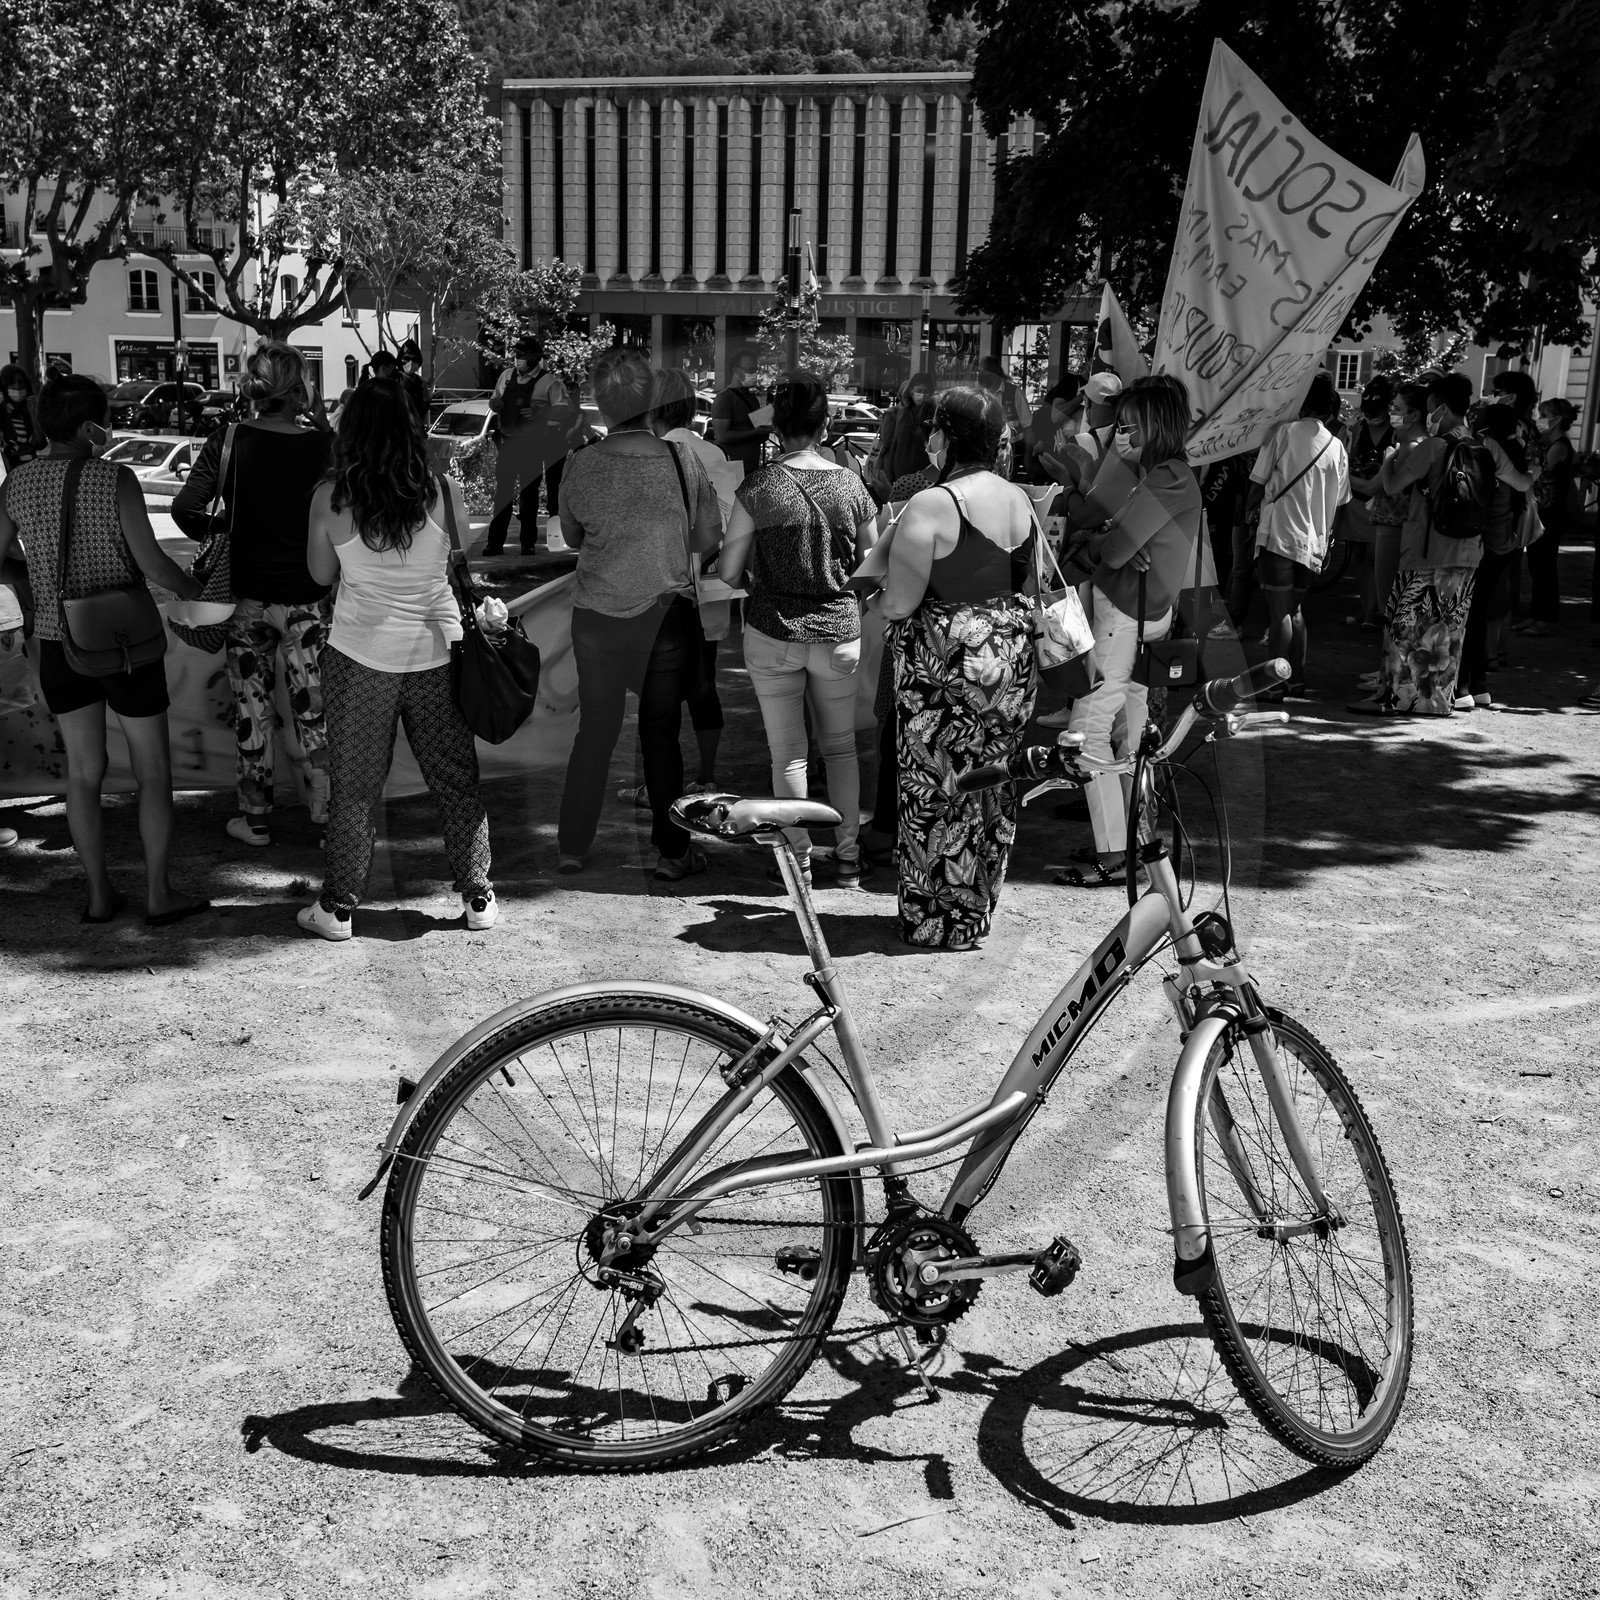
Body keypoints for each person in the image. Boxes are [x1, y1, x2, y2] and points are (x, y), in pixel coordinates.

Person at [0, 373, 209, 924]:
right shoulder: (115, 478)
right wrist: (200, 593)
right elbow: (153, 564)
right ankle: (158, 895)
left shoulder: (17, 483)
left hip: (57, 642)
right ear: (90, 426)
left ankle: (99, 896)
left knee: (82, 775)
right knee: (152, 772)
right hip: (125, 645)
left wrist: (31, 585)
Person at [299, 383, 493, 941]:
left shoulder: (330, 498)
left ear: (350, 431)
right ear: (412, 428)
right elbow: (460, 559)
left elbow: (320, 576)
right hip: (437, 654)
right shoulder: (443, 490)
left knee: (355, 787)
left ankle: (338, 908)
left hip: (360, 657)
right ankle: (478, 896)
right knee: (455, 779)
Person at [878, 385, 1038, 945]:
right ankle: (975, 913)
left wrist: (875, 598)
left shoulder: (931, 504)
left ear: (942, 436)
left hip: (945, 671)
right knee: (992, 785)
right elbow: (1028, 579)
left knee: (933, 788)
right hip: (1010, 665)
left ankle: (933, 922)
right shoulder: (1019, 498)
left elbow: (899, 602)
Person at [555, 349, 722, 880]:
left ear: (600, 405)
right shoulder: (681, 460)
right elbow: (708, 534)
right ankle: (673, 853)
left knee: (595, 731)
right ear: (652, 402)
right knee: (661, 732)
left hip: (596, 615)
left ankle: (572, 846)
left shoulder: (582, 463)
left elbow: (572, 536)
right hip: (665, 614)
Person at [718, 371, 879, 889]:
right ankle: (849, 857)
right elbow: (871, 566)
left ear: (774, 429)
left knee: (787, 754)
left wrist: (759, 581)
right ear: (825, 424)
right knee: (841, 749)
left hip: (772, 631)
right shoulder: (850, 484)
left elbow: (727, 571)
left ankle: (798, 860)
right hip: (837, 633)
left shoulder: (760, 486)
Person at [173, 341, 334, 848]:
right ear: (300, 388)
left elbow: (185, 509)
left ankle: (256, 817)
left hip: (246, 601)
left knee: (252, 712)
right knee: (316, 708)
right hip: (309, 599)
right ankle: (330, 813)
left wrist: (232, 532)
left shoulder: (228, 439)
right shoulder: (323, 447)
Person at [1052, 376, 1204, 886]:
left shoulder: (1167, 477)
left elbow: (1114, 550)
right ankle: (1135, 846)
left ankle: (1117, 853)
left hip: (1126, 618)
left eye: (1133, 423)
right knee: (1129, 733)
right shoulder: (1162, 473)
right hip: (1135, 617)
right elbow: (1114, 542)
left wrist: (1103, 542)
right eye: (1123, 422)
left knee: (1087, 728)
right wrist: (1110, 540)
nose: (1124, 432)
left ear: (1158, 424)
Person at [1351, 372, 1481, 717]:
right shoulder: (1478, 446)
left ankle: (1390, 698)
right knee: (1447, 632)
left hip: (1426, 549)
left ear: (1440, 408)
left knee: (1402, 626)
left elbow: (1392, 486)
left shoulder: (1434, 447)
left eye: (1431, 407)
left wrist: (1389, 460)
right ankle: (1434, 703)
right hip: (1467, 550)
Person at [631, 366, 732, 797]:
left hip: (661, 590)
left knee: (657, 695)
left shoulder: (645, 456)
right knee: (704, 685)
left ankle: (658, 788)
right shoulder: (714, 454)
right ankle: (707, 775)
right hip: (710, 586)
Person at [1245, 370, 1350, 697]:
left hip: (1279, 533)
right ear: (1329, 410)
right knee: (1296, 611)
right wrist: (1330, 541)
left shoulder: (1282, 433)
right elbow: (1342, 503)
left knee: (1278, 614)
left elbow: (1257, 482)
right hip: (1314, 541)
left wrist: (1248, 514)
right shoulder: (1337, 447)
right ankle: (1297, 680)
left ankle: (1273, 684)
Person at [1457, 403, 1541, 707]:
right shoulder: (1515, 449)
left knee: (1470, 614)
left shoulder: (1487, 446)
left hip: (1484, 541)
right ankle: (1479, 684)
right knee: (1482, 612)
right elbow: (1523, 483)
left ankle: (1462, 687)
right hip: (1508, 541)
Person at [485, 336, 576, 557]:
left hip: (533, 445)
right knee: (503, 494)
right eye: (516, 354)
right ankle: (495, 543)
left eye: (523, 355)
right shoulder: (507, 376)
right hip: (508, 442)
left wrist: (540, 412)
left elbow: (565, 410)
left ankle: (528, 543)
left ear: (535, 357)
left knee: (529, 495)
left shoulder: (549, 382)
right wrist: (494, 403)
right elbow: (494, 399)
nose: (518, 358)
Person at [1346, 376, 1397, 627]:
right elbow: (1350, 458)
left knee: (1374, 558)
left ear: (1387, 408)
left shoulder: (1396, 431)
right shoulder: (1359, 427)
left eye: (1375, 412)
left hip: (1383, 501)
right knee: (1359, 557)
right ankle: (1366, 608)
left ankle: (1376, 611)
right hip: (1358, 500)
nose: (1371, 416)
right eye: (1367, 412)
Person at [1040, 370, 1122, 487]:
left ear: (1087, 403)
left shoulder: (1076, 445)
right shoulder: (1128, 438)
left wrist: (1063, 454)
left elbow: (1070, 491)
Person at [711, 348, 771, 478]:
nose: (753, 374)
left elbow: (759, 434)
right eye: (750, 370)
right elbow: (722, 436)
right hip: (731, 470)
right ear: (736, 371)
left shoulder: (752, 398)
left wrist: (765, 430)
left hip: (752, 468)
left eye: (755, 370)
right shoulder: (724, 398)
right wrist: (754, 433)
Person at [876, 371, 935, 488]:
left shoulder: (932, 415)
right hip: (900, 474)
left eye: (926, 391)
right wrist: (889, 472)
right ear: (911, 391)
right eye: (919, 390)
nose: (922, 395)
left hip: (923, 476)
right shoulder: (902, 413)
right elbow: (893, 444)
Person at [0, 365, 44, 472]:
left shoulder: (28, 411)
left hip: (31, 468)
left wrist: (33, 414)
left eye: (21, 382)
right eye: (12, 383)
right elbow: (6, 448)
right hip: (9, 470)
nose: (17, 387)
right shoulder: (2, 413)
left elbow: (41, 443)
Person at [394, 339, 433, 424]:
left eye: (414, 359)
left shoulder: (421, 381)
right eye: (407, 359)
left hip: (416, 422)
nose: (410, 362)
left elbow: (426, 402)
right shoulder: (396, 379)